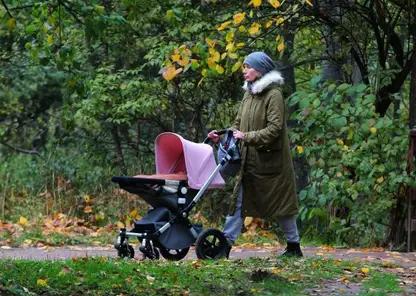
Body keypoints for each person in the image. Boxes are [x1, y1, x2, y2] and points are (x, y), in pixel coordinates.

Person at [208, 51, 303, 258]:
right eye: (244, 66)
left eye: (248, 66)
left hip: (271, 163)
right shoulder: (248, 94)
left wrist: (246, 136)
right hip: (249, 162)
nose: (244, 71)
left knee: (283, 204)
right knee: (239, 201)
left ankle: (294, 246)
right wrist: (222, 136)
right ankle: (225, 245)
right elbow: (237, 125)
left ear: (260, 69)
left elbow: (275, 128)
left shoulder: (274, 95)